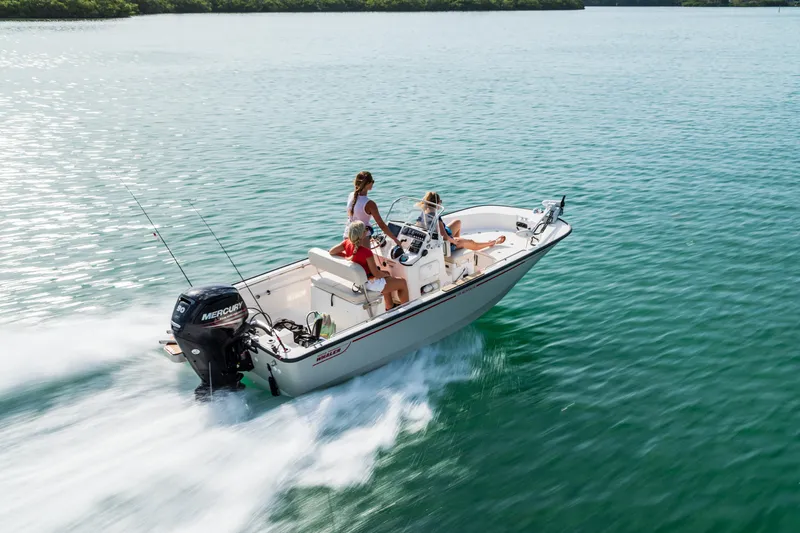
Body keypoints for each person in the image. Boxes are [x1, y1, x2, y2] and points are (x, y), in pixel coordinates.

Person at [330, 221, 409, 311]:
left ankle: (389, 306)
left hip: (359, 281)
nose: (367, 231)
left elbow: (332, 251)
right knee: (402, 283)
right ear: (362, 234)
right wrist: (387, 276)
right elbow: (376, 274)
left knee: (386, 272)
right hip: (370, 283)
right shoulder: (366, 252)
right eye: (366, 229)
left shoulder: (346, 243)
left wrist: (347, 256)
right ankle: (407, 310)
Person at [418, 191, 506, 252]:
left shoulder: (423, 213)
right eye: (440, 202)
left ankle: (459, 246)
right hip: (444, 244)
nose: (441, 203)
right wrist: (454, 241)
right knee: (472, 243)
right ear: (436, 203)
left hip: (439, 237)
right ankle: (492, 243)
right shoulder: (435, 217)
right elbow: (444, 236)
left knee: (457, 222)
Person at [345, 171, 401, 246]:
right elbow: (382, 225)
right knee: (366, 257)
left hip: (348, 233)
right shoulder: (370, 204)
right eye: (372, 181)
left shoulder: (351, 195)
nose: (373, 183)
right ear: (368, 183)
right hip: (362, 238)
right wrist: (395, 240)